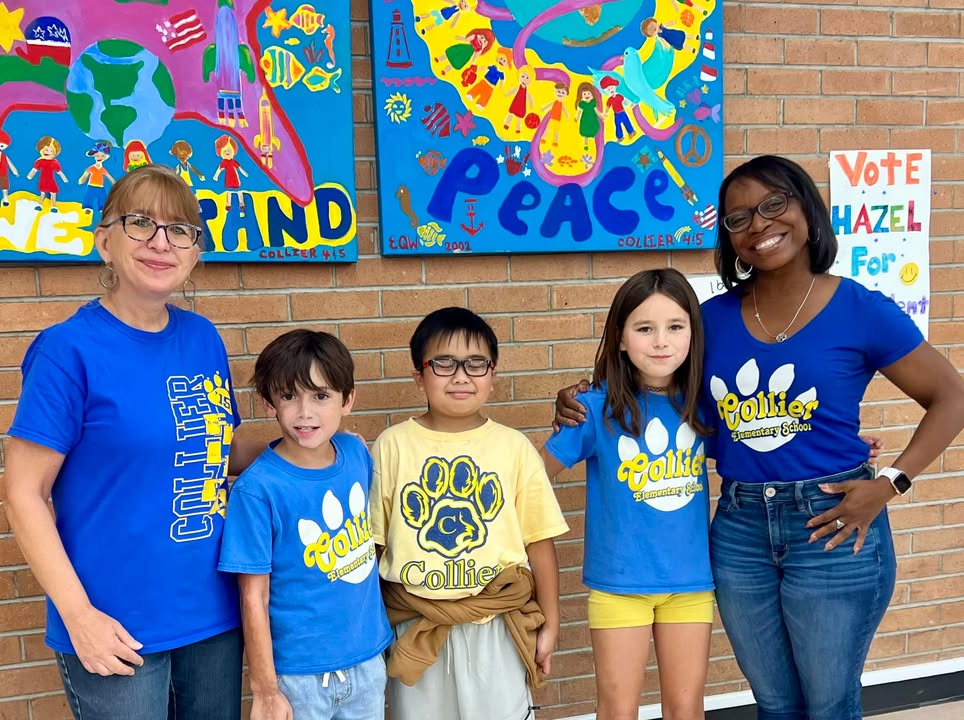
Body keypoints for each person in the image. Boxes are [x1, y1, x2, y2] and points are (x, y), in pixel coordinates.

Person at [555, 155, 964, 719]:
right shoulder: (709, 320)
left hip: (832, 522)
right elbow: (669, 399)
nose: (759, 224)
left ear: (806, 208)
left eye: (774, 204)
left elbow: (952, 396)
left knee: (826, 703)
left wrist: (890, 482)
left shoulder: (860, 308)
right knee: (773, 702)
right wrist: (587, 395)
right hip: (741, 527)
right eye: (738, 216)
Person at [4, 165, 263, 720]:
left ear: (195, 252)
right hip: (114, 624)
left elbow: (218, 449)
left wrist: (303, 445)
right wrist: (79, 616)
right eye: (140, 223)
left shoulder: (202, 338)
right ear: (105, 241)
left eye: (180, 230)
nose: (160, 243)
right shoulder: (66, 351)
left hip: (213, 613)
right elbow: (23, 494)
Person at [371, 307, 569, 720]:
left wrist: (550, 624)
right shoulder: (392, 446)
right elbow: (372, 548)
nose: (461, 376)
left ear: (493, 375)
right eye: (443, 363)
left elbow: (539, 542)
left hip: (496, 625)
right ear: (418, 375)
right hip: (414, 624)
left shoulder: (514, 449)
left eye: (476, 363)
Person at [542, 269, 713, 720]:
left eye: (676, 327)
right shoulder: (594, 409)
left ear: (693, 335)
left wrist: (847, 450)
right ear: (620, 338)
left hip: (690, 582)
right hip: (619, 584)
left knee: (686, 707)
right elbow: (534, 479)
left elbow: (760, 450)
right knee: (618, 709)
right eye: (644, 328)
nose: (661, 341)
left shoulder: (704, 404)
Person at [219, 329, 392, 720]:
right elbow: (252, 598)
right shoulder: (257, 491)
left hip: (366, 658)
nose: (305, 412)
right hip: (297, 676)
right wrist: (264, 689)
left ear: (347, 400)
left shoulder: (355, 453)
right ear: (268, 403)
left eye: (321, 396)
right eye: (288, 396)